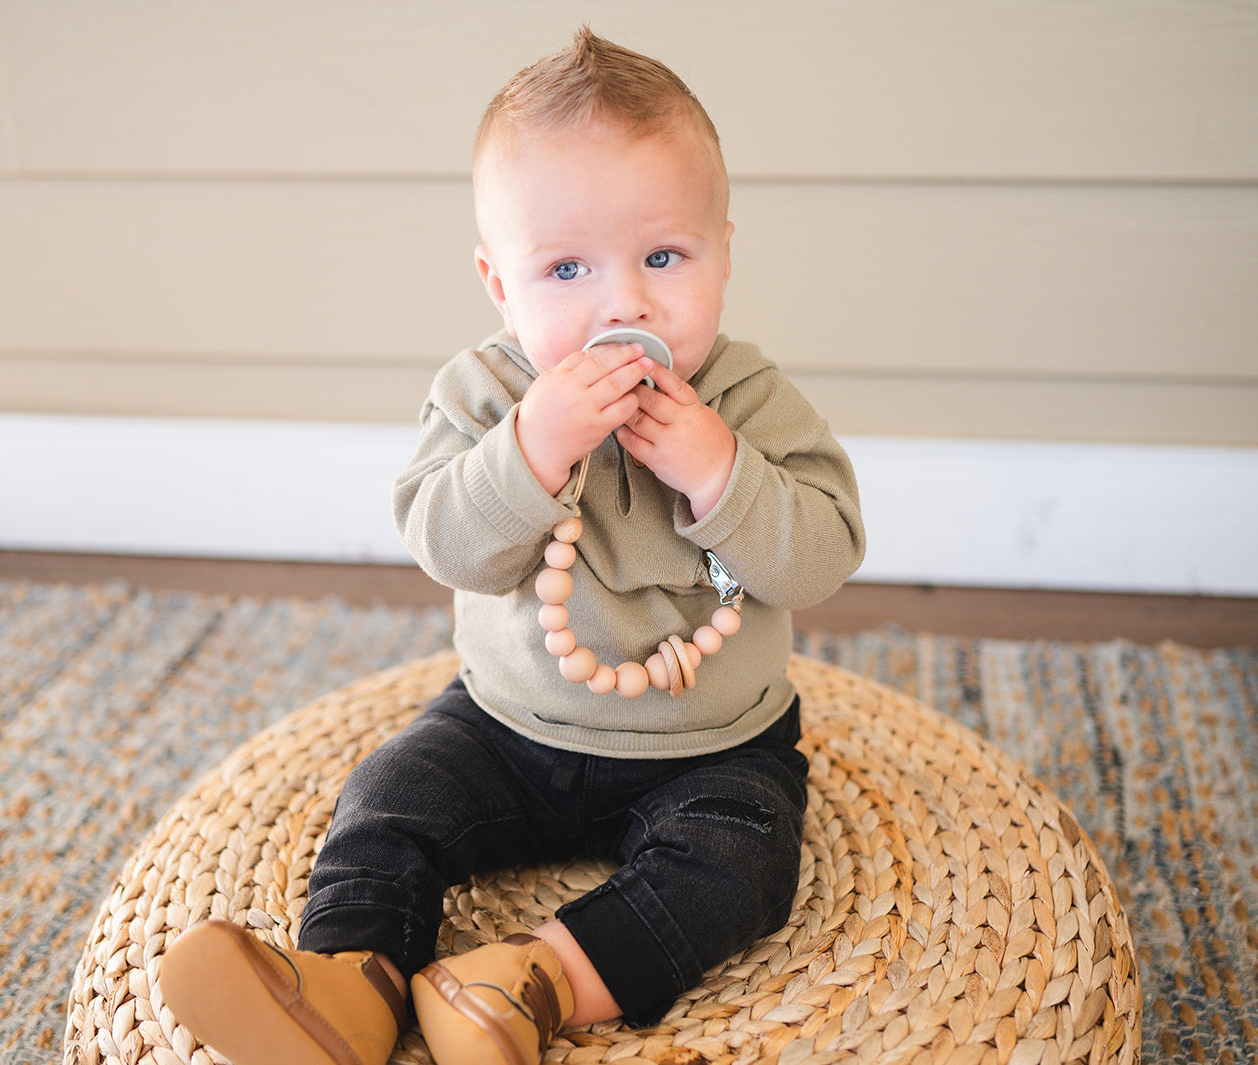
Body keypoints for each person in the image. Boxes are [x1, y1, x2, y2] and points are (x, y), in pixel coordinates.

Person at [157, 27, 865, 1065]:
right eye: (567, 268)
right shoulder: (487, 394)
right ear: (501, 285)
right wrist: (531, 449)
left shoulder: (748, 400)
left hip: (711, 744)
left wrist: (720, 471)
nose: (624, 301)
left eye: (664, 257)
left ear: (723, 250)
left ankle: (531, 979)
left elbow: (823, 555)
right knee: (390, 793)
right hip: (507, 723)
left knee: (743, 867)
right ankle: (349, 981)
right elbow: (447, 544)